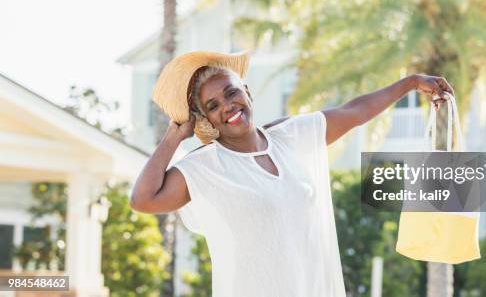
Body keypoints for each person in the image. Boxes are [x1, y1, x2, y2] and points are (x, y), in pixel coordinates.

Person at [130, 50, 454, 297]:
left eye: (231, 93)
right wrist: (175, 136)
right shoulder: (206, 167)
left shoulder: (291, 137)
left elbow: (353, 112)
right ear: (208, 119)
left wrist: (411, 83)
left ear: (246, 91)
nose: (227, 106)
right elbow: (143, 199)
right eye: (213, 106)